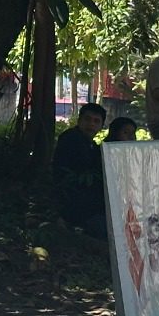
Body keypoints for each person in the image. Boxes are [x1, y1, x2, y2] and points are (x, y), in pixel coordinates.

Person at [52, 102, 108, 239]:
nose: (91, 124)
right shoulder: (70, 139)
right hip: (72, 197)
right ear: (79, 120)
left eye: (96, 121)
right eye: (87, 119)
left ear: (101, 126)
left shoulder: (93, 145)